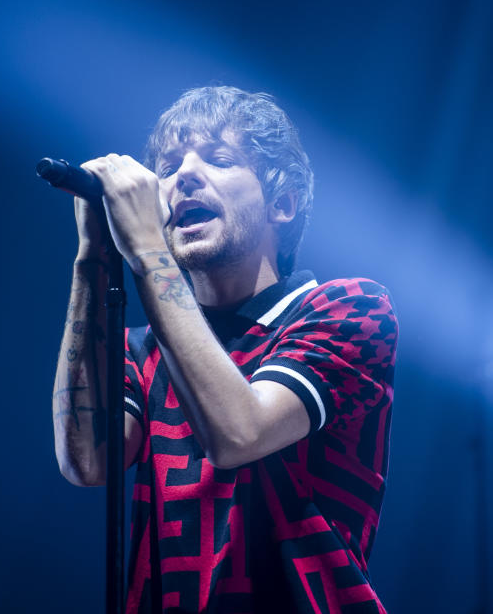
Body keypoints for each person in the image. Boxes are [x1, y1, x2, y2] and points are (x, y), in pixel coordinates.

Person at [53, 86, 397, 614]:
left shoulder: (348, 311)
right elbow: (87, 462)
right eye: (168, 168)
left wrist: (146, 250)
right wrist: (91, 258)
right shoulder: (140, 349)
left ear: (282, 203)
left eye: (219, 159)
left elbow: (240, 434)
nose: (184, 176)